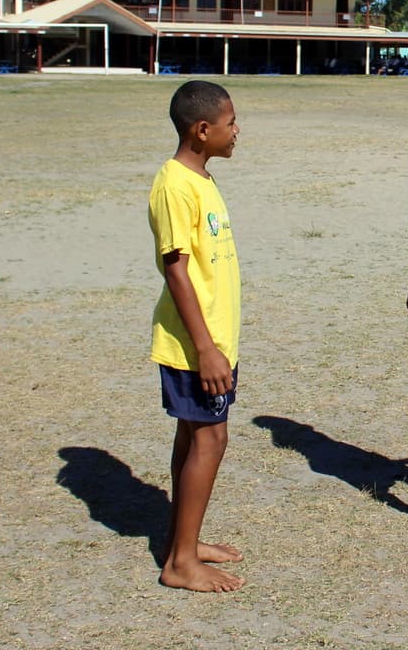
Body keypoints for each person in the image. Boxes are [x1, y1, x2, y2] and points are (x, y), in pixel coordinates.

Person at [148, 80, 245, 591]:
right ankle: (181, 563)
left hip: (214, 341)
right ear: (201, 130)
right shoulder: (174, 184)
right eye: (230, 123)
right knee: (211, 437)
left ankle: (184, 538)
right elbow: (176, 271)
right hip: (194, 346)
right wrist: (205, 348)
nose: (237, 131)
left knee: (194, 435)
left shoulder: (202, 178)